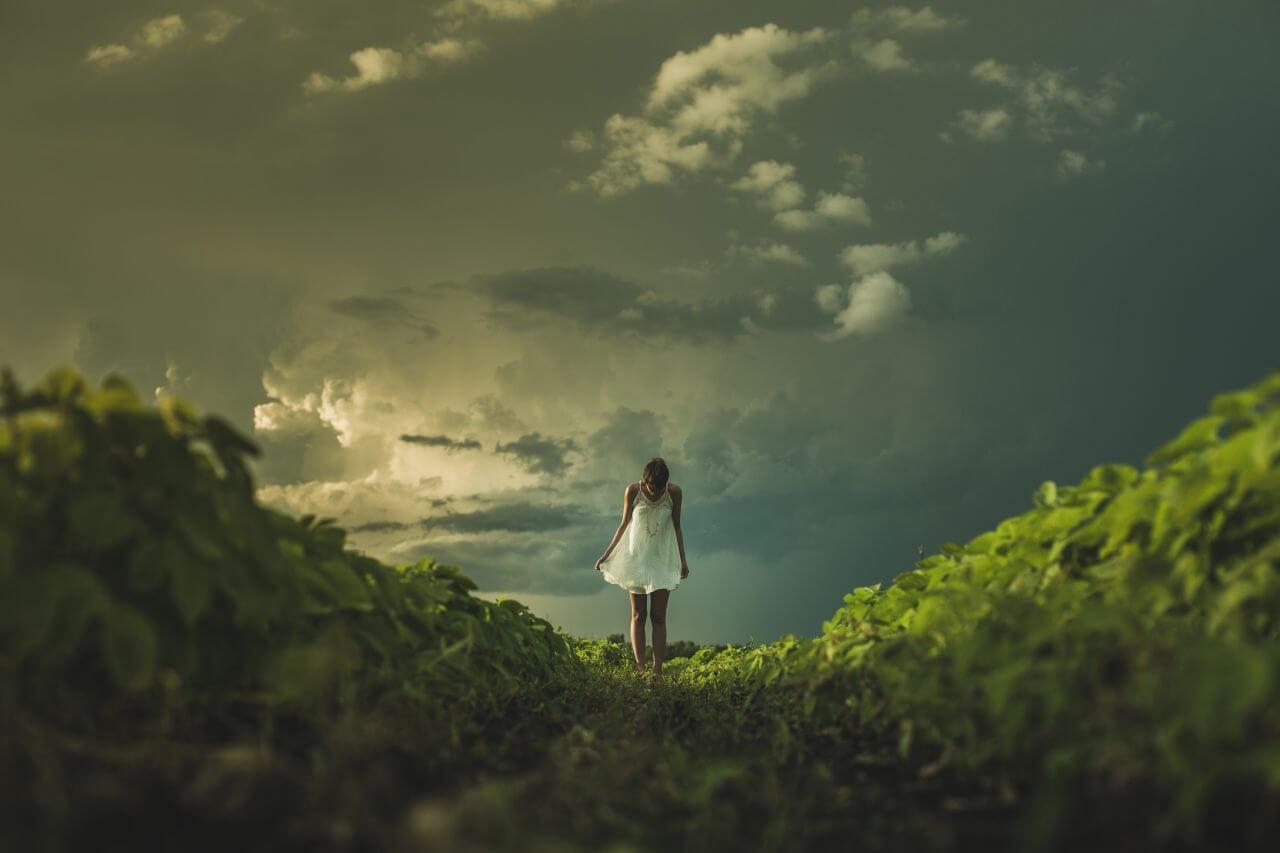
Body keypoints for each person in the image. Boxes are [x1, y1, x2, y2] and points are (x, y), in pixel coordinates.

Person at [594, 457, 689, 680]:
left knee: (658, 616)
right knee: (638, 614)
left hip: (662, 561)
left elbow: (677, 527)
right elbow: (623, 524)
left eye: (662, 485)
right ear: (647, 480)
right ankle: (641, 669)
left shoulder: (674, 492)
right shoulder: (633, 490)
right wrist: (606, 555)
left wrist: (683, 560)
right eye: (654, 485)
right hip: (635, 561)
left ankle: (657, 671)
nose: (658, 489)